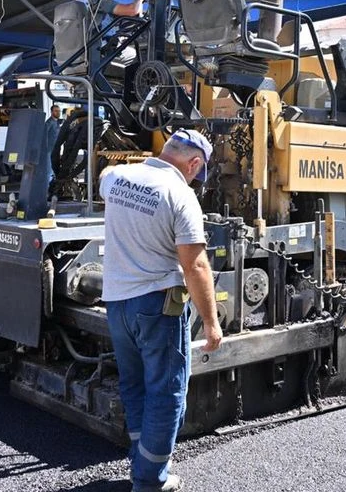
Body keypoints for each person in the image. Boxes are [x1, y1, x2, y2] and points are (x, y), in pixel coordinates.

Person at [101, 129, 222, 492]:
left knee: (134, 385)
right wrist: (212, 324)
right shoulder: (180, 196)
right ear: (194, 163)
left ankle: (140, 462)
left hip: (116, 305)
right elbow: (195, 266)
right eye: (196, 173)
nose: (194, 180)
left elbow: (104, 176)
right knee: (167, 393)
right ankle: (150, 480)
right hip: (156, 307)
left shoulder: (119, 177)